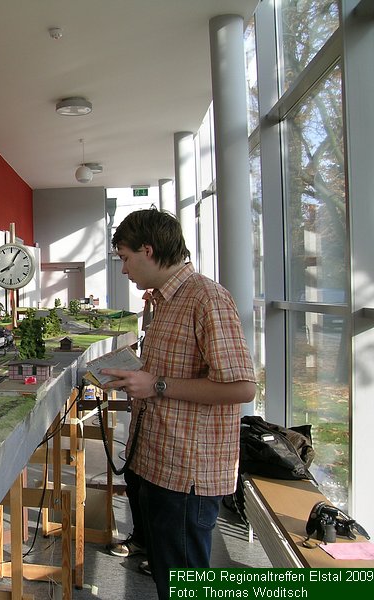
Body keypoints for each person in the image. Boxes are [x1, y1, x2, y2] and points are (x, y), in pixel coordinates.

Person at [99, 208, 256, 599]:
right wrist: (136, 378)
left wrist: (157, 385)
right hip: (155, 462)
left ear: (148, 250)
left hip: (186, 475)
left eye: (125, 259)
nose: (124, 270)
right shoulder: (164, 301)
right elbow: (168, 373)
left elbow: (241, 388)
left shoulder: (207, 298)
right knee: (167, 577)